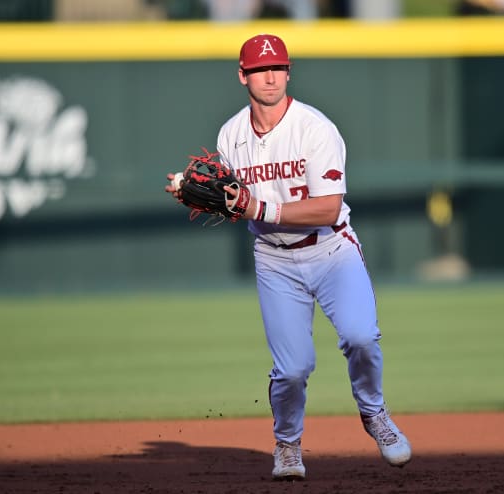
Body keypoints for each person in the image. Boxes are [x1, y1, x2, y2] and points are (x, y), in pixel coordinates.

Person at [165, 33, 411, 480]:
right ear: (243, 76)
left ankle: (374, 413)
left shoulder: (315, 129)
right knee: (293, 368)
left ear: (288, 71)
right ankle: (287, 444)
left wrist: (258, 208)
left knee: (361, 337)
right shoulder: (231, 134)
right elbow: (232, 200)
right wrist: (193, 188)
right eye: (260, 69)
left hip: (332, 248)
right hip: (275, 258)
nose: (270, 76)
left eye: (277, 67)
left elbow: (328, 206)